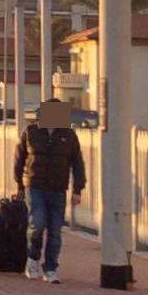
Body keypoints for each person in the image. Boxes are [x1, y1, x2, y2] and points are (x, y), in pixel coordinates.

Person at [13, 98, 86, 284]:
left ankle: (51, 267)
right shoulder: (31, 132)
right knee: (37, 223)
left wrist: (78, 189)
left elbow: (77, 163)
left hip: (58, 188)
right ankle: (33, 259)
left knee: (55, 231)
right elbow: (19, 159)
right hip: (35, 185)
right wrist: (20, 185)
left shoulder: (69, 136)